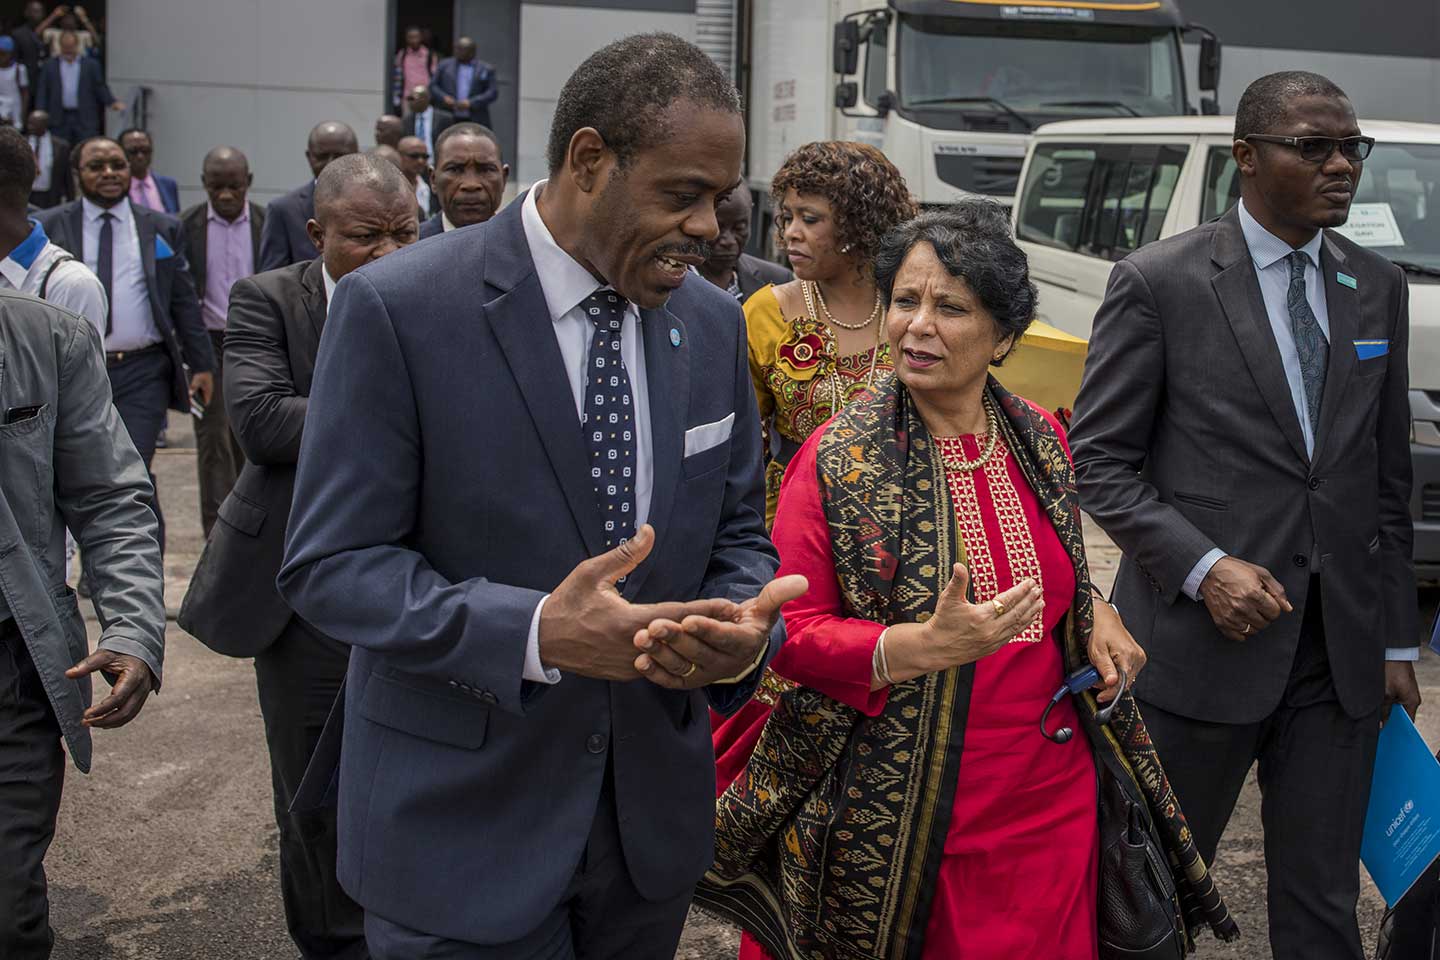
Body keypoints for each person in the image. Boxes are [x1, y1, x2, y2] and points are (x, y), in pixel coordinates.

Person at [277, 32, 802, 959]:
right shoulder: (399, 309)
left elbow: (737, 531)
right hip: (459, 838)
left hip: (646, 840)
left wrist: (741, 632)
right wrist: (532, 635)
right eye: (683, 194)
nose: (711, 227)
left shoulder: (714, 326)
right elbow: (332, 566)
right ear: (589, 160)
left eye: (719, 200)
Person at [694, 202, 1235, 959]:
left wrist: (1097, 615)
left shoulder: (1041, 437)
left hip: (1050, 797)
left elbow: (1064, 572)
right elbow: (789, 636)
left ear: (1005, 336)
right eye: (905, 302)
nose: (918, 325)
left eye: (951, 307)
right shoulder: (836, 459)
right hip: (895, 812)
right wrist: (915, 646)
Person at [1069, 71, 1420, 960]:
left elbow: (1384, 479)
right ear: (1247, 157)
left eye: (1352, 147)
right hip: (1194, 655)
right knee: (1149, 909)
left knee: (1322, 907)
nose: (1342, 165)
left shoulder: (1374, 286)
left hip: (1335, 662)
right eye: (1315, 147)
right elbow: (1101, 465)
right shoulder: (1160, 282)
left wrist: (1393, 642)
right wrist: (1202, 566)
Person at [181, 152, 418, 960]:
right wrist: (403, 414)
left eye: (404, 233)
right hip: (299, 588)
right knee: (315, 791)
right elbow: (262, 422)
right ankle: (331, 942)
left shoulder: (438, 300)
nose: (389, 252)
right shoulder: (268, 300)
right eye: (364, 236)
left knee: (412, 778)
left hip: (414, 581)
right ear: (318, 234)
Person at [0, 122, 166, 960]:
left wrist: (134, 627)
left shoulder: (47, 338)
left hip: (15, 671)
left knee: (8, 910)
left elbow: (109, 498)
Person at [38, 135, 215, 554]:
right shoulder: (50, 225)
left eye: (117, 165)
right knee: (73, 466)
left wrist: (202, 364)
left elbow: (182, 300)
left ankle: (138, 561)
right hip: (72, 368)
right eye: (97, 166)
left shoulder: (160, 226)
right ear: (77, 174)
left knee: (131, 466)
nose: (110, 173)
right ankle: (88, 555)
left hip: (142, 370)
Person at [746, 141, 917, 526]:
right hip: (795, 517)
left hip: (901, 518)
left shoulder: (910, 309)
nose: (791, 233)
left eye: (809, 219)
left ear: (858, 224)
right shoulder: (766, 313)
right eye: (787, 217)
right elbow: (744, 447)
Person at [180, 145, 263, 538]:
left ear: (247, 182)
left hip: (258, 340)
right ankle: (216, 537)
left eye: (234, 186)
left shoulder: (267, 222)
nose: (226, 195)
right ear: (203, 185)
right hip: (207, 345)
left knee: (254, 435)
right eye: (216, 187)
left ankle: (255, 531)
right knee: (212, 440)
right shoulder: (186, 226)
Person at [258, 121, 358, 271]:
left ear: (356, 156)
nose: (330, 164)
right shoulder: (283, 210)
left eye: (339, 156)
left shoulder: (375, 205)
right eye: (322, 156)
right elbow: (272, 279)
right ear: (309, 156)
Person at [698, 181, 791, 303]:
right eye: (718, 229)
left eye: (739, 228)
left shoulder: (778, 281)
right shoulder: (671, 283)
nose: (728, 241)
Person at [418, 121, 506, 238]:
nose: (471, 184)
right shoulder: (408, 247)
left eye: (486, 170)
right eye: (454, 170)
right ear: (433, 179)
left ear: (504, 178)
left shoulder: (527, 246)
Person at [34, 30, 120, 144]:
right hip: (59, 117)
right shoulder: (50, 65)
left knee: (86, 148)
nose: (68, 50)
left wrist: (111, 102)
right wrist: (40, 111)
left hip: (84, 117)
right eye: (65, 47)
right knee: (59, 152)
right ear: (60, 46)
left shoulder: (91, 65)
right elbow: (43, 90)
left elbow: (99, 87)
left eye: (70, 47)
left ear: (76, 45)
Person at [429, 36, 496, 130]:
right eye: (457, 48)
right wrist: (444, 97)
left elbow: (492, 92)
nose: (457, 52)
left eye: (462, 49)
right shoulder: (444, 65)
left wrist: (471, 102)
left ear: (472, 51)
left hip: (475, 116)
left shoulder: (485, 69)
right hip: (449, 114)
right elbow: (433, 86)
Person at [120, 128, 179, 214]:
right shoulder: (118, 186)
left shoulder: (168, 185)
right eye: (133, 151)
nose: (140, 156)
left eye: (145, 151)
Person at [25, 110, 71, 208]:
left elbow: (67, 176)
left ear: (44, 125)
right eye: (29, 123)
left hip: (50, 197)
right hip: (26, 195)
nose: (30, 127)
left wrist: (70, 199)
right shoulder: (21, 142)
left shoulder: (60, 146)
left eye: (34, 124)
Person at [401, 84, 452, 161]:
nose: (409, 102)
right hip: (416, 164)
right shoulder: (406, 120)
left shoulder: (444, 119)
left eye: (412, 98)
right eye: (408, 99)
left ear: (425, 99)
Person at [391, 25, 436, 111]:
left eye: (416, 37)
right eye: (410, 37)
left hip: (425, 98)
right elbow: (397, 78)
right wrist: (396, 99)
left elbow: (434, 77)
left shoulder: (429, 55)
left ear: (421, 37)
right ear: (406, 38)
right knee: (408, 121)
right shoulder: (402, 54)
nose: (413, 40)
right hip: (408, 97)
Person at [10, 2, 48, 86]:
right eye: (35, 11)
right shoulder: (18, 34)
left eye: (40, 11)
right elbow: (14, 60)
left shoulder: (49, 33)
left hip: (45, 80)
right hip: (26, 81)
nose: (38, 14)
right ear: (26, 13)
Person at [395, 134, 431, 215]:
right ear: (399, 155)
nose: (420, 161)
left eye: (425, 156)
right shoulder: (388, 186)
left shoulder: (430, 186)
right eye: (414, 156)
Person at [0, 37, 30, 126]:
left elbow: (25, 93)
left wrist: (22, 115)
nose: (1, 57)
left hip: (15, 108)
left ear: (10, 54)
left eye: (3, 54)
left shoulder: (19, 69)